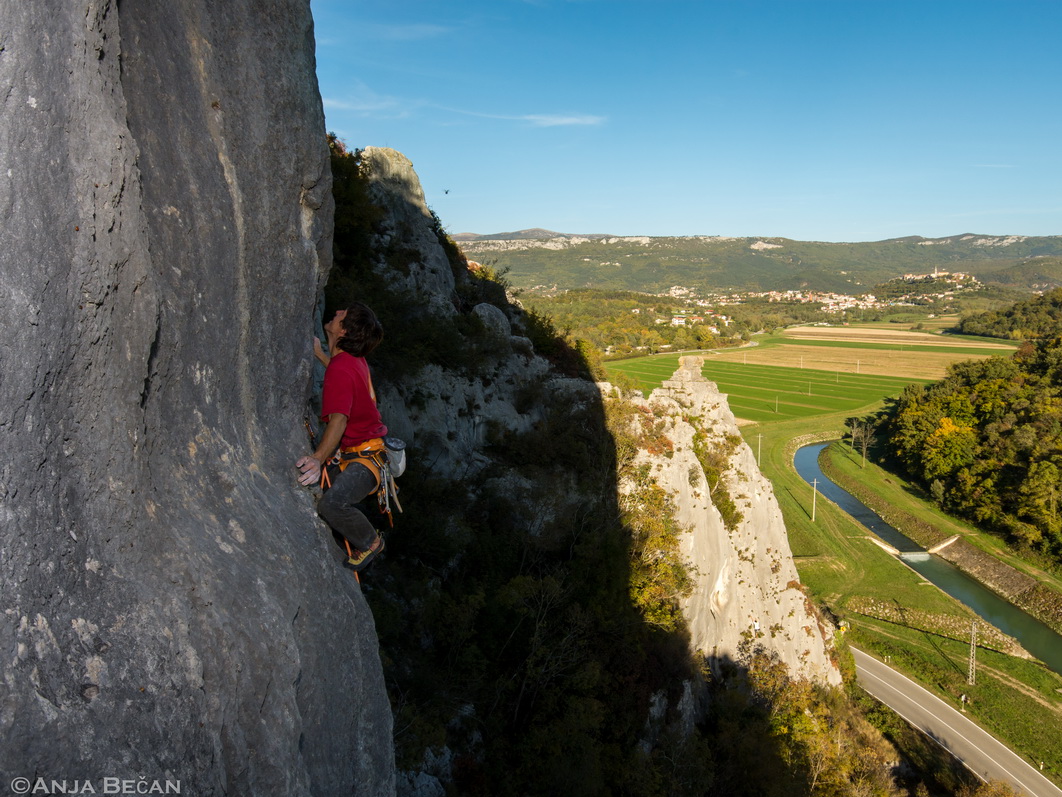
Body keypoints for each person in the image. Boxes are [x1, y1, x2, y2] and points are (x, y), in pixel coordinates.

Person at [296, 302, 387, 571]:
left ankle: (371, 541)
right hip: (363, 452)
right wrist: (320, 354)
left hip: (365, 460)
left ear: (343, 331)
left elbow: (339, 419)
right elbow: (341, 373)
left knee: (331, 504)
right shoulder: (351, 361)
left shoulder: (342, 368)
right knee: (324, 499)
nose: (336, 313)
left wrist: (317, 458)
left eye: (341, 315)